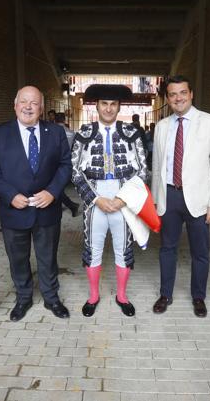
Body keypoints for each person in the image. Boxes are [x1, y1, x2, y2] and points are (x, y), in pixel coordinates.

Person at [0, 86, 72, 322]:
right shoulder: (0, 134)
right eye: (24, 102)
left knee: (47, 257)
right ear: (15, 105)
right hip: (14, 209)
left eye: (34, 103)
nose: (28, 107)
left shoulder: (56, 132)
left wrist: (53, 192)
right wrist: (10, 194)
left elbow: (65, 165)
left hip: (47, 209)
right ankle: (23, 298)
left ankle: (51, 298)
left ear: (41, 108)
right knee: (17, 258)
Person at [151, 75, 210, 318]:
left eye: (182, 92)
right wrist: (154, 200)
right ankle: (165, 294)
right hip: (169, 197)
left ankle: (198, 297)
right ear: (168, 98)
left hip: (199, 199)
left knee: (200, 252)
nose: (178, 98)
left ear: (191, 94)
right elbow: (157, 165)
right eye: (173, 94)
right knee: (167, 248)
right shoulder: (162, 126)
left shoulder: (209, 122)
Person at [71, 84, 148, 317]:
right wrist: (95, 199)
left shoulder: (133, 133)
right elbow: (74, 171)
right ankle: (93, 296)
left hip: (122, 196)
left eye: (113, 104)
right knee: (92, 249)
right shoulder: (83, 134)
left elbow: (143, 170)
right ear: (97, 106)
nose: (108, 108)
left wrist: (123, 199)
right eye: (104, 104)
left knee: (123, 249)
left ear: (119, 106)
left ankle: (122, 296)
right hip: (96, 199)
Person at [55, 112, 79, 217]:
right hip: (67, 162)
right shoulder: (72, 133)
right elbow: (75, 149)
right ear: (64, 120)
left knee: (55, 188)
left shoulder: (53, 131)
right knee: (56, 188)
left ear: (55, 120)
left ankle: (72, 205)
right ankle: (70, 205)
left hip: (54, 163)